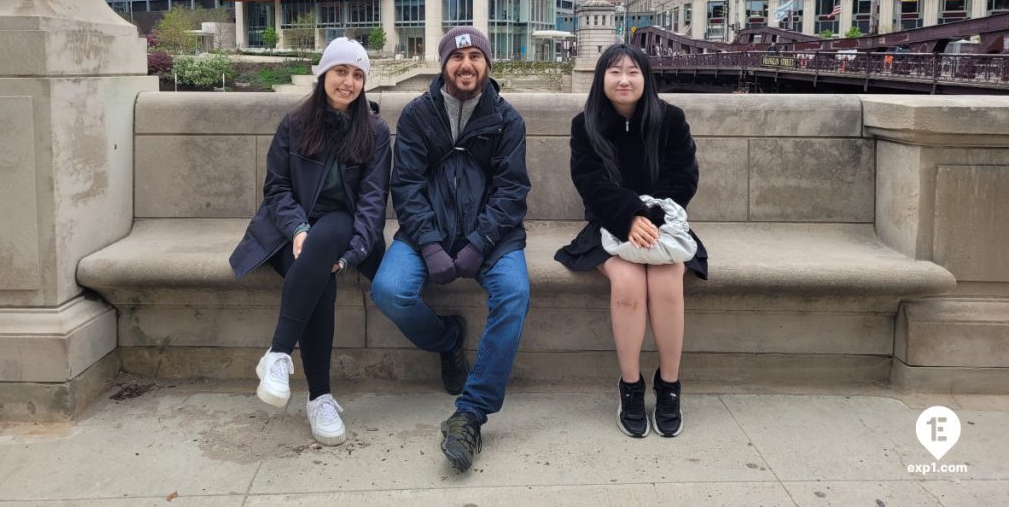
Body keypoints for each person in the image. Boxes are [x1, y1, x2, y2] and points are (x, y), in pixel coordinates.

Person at [372, 27, 530, 473]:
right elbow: (406, 185)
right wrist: (429, 243)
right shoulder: (418, 115)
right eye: (457, 57)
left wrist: (479, 243)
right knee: (389, 290)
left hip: (493, 237)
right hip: (429, 232)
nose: (466, 65)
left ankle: (471, 412)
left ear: (487, 65)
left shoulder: (508, 120)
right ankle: (447, 339)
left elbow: (512, 190)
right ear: (443, 64)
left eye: (476, 56)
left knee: (515, 294)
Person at [229, 37, 391, 446]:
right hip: (288, 233)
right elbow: (277, 188)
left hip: (344, 230)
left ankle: (278, 353)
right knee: (321, 282)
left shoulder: (374, 131)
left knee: (329, 234)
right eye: (341, 71)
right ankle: (319, 398)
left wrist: (352, 255)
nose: (348, 82)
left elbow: (373, 202)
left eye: (358, 75)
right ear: (323, 74)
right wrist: (299, 229)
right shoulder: (295, 124)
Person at [556, 43, 707, 439]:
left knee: (667, 281)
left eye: (633, 72)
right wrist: (628, 216)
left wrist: (649, 219)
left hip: (664, 226)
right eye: (615, 72)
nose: (624, 80)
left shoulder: (671, 120)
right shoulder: (585, 125)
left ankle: (669, 384)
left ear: (646, 78)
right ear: (601, 78)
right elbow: (590, 182)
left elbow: (684, 178)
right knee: (627, 283)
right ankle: (631, 385)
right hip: (608, 224)